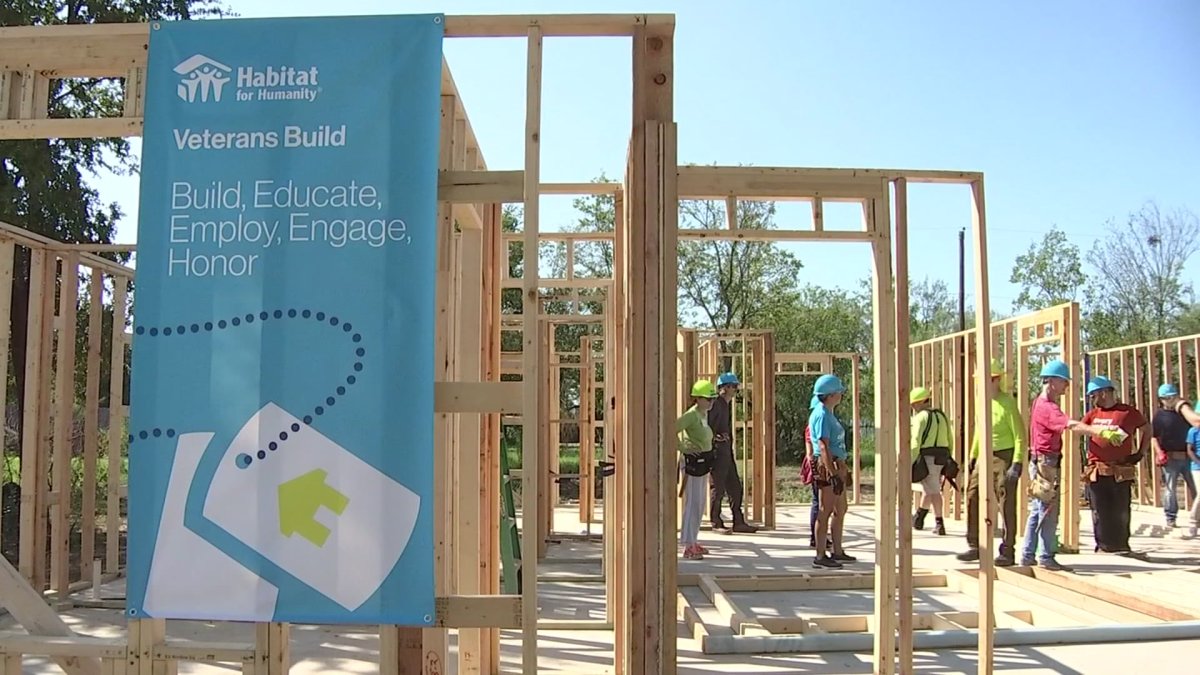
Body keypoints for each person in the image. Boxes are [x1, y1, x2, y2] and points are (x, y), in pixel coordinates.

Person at [1020, 359, 1092, 571]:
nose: (1066, 386)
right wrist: (1098, 431)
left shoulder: (1038, 403)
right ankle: (1045, 556)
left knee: (1038, 508)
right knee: (1048, 510)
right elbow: (1070, 424)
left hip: (1042, 459)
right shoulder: (1048, 407)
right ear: (1050, 381)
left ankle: (1028, 554)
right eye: (1063, 382)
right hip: (1046, 462)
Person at [957, 360, 1026, 565]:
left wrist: (1017, 462)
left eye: (984, 380)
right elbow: (979, 429)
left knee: (1005, 501)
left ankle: (1008, 550)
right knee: (972, 495)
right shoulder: (982, 400)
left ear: (995, 380)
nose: (980, 384)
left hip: (1004, 455)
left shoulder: (1007, 403)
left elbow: (1020, 435)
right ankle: (974, 545)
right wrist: (972, 455)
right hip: (984, 455)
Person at [1080, 375, 1150, 554]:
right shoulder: (1093, 414)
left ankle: (1121, 546)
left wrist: (1141, 452)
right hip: (1098, 469)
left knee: (1120, 509)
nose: (1092, 400)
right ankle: (1103, 546)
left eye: (1093, 395)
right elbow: (1078, 429)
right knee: (1100, 510)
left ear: (1104, 393)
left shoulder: (1127, 413)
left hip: (1120, 469)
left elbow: (1147, 429)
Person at [809, 373, 854, 569]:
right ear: (830, 395)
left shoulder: (828, 413)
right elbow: (824, 446)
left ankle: (837, 550)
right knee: (825, 510)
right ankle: (820, 555)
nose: (841, 395)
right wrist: (833, 474)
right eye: (839, 392)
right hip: (828, 465)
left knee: (840, 508)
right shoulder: (821, 414)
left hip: (837, 464)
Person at [708, 372, 759, 534]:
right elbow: (707, 426)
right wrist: (715, 438)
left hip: (726, 452)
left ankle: (738, 521)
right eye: (734, 387)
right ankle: (716, 521)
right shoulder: (716, 404)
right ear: (725, 388)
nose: (735, 390)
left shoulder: (724, 405)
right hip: (717, 452)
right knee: (718, 487)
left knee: (735, 487)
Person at [677, 379, 719, 560]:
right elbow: (670, 429)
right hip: (693, 463)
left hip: (703, 462)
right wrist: (683, 448)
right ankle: (687, 545)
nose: (711, 402)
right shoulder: (692, 415)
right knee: (692, 503)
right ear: (698, 399)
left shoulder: (702, 415)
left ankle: (693, 540)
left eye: (712, 399)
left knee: (700, 503)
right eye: (708, 399)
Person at [1152, 383, 1200, 531]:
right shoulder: (1159, 416)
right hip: (1170, 457)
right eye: (1167, 398)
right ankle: (1171, 517)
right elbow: (1154, 437)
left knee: (1196, 489)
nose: (1170, 401)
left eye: (1173, 397)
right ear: (1161, 400)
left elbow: (1195, 425)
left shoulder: (1184, 412)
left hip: (1189, 456)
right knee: (1170, 488)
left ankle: (1197, 517)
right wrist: (1159, 452)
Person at [909, 386, 952, 535]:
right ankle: (918, 518)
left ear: (920, 402)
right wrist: (949, 456)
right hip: (941, 455)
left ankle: (939, 522)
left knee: (933, 490)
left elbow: (915, 441)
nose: (913, 408)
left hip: (927, 456)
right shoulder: (942, 415)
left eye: (913, 404)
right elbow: (950, 438)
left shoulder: (920, 417)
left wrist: (910, 461)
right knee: (930, 486)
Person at [1188, 421, 1200, 539]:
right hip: (1197, 467)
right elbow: (1190, 450)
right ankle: (1193, 522)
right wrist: (1198, 462)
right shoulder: (1194, 430)